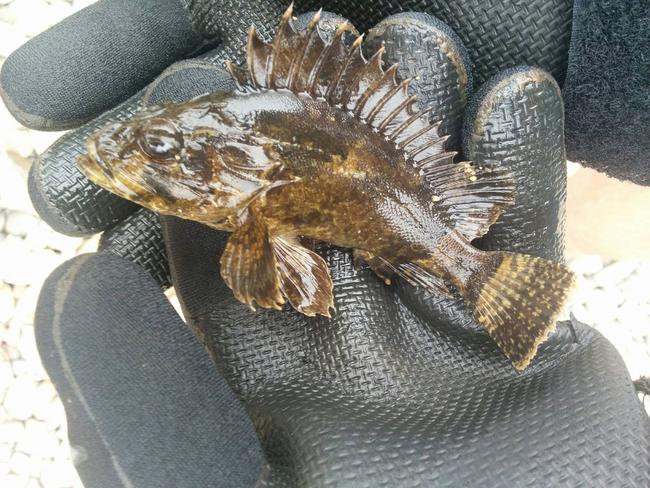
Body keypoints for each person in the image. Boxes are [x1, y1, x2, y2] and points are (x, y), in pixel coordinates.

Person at [1, 1, 648, 486]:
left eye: (162, 148)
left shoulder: (253, 194)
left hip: (417, 224)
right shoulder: (244, 169)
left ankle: (493, 282)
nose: (137, 159)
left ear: (233, 162)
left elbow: (279, 266)